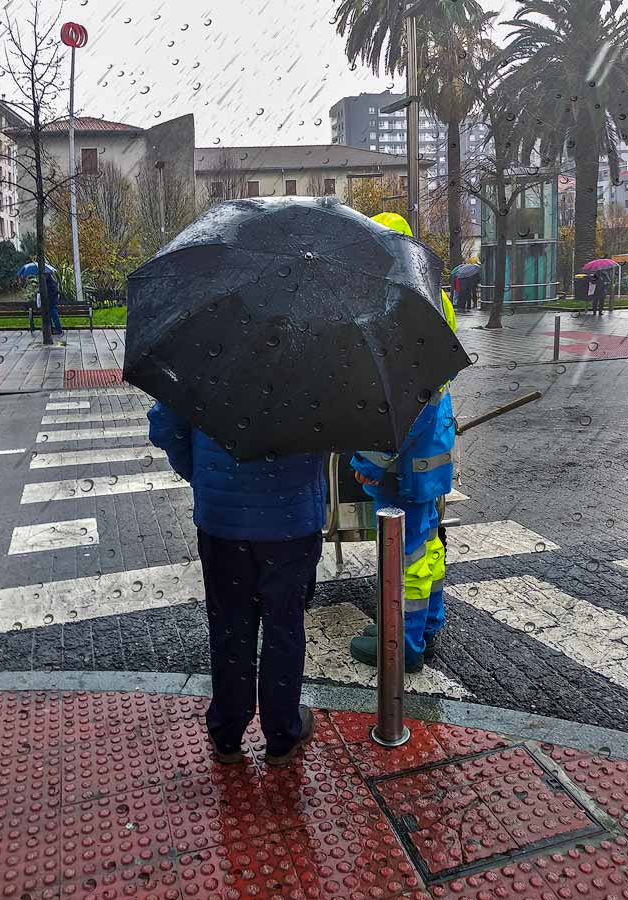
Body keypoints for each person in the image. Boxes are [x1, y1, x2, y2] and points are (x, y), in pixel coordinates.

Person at [148, 402, 325, 766]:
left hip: (222, 523)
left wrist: (204, 478)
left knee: (230, 628)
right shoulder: (318, 359)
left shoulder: (203, 352)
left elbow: (166, 425)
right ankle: (281, 734)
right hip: (291, 521)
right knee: (284, 630)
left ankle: (228, 731)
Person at [350, 212, 456, 673]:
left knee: (405, 552)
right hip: (432, 452)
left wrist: (368, 464)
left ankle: (404, 644)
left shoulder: (393, 310)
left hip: (401, 462)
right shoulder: (433, 299)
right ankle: (427, 624)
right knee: (427, 546)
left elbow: (392, 407)